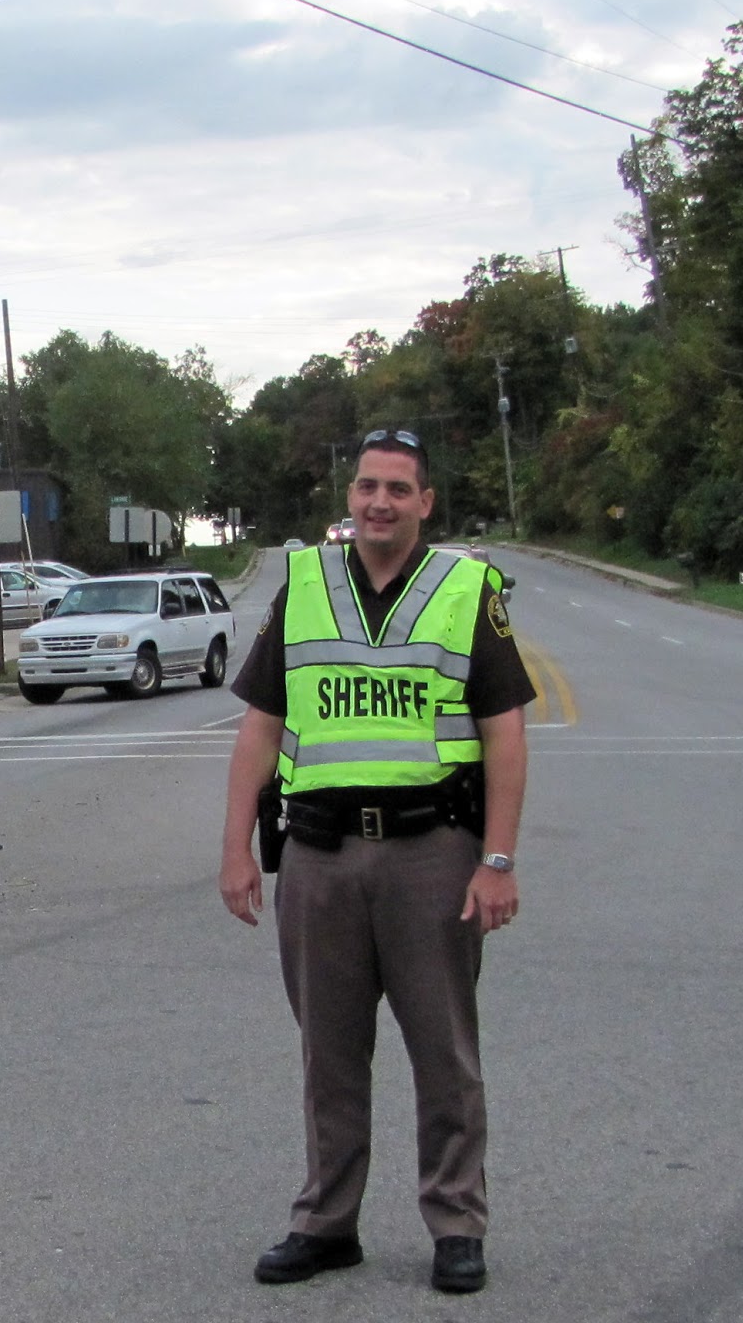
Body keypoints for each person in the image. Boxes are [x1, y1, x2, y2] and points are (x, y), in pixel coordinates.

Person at [219, 429, 535, 1296]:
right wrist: (236, 845)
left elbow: (504, 732)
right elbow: (262, 721)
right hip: (318, 856)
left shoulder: (465, 590)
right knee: (329, 1053)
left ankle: (456, 1224)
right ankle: (326, 1222)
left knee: (444, 1053)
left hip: (432, 851)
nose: (379, 503)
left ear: (425, 503)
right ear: (348, 495)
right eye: (367, 487)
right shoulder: (307, 586)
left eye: (398, 489)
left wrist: (496, 860)